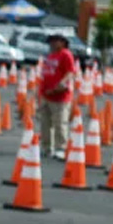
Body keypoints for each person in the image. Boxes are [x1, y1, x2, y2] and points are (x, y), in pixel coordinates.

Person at [37, 30, 78, 159]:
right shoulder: (50, 56)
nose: (53, 43)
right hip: (47, 94)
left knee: (60, 123)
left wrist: (62, 83)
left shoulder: (66, 55)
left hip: (60, 96)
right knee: (45, 123)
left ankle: (61, 147)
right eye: (51, 41)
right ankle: (46, 147)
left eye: (56, 40)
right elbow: (45, 74)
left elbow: (70, 72)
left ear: (63, 42)